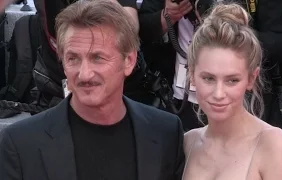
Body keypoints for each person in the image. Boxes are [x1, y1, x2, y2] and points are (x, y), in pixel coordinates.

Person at [0, 0, 185, 180]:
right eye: (73, 58)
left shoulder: (166, 133)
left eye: (98, 58)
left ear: (129, 61)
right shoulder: (20, 144)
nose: (84, 74)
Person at [182, 3, 282, 180]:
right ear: (191, 74)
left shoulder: (274, 145)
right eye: (208, 78)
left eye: (232, 80)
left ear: (251, 78)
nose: (219, 93)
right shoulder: (187, 143)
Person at [138, 0, 282, 131]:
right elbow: (139, 30)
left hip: (241, 102)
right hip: (179, 102)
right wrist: (168, 16)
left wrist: (231, 30)